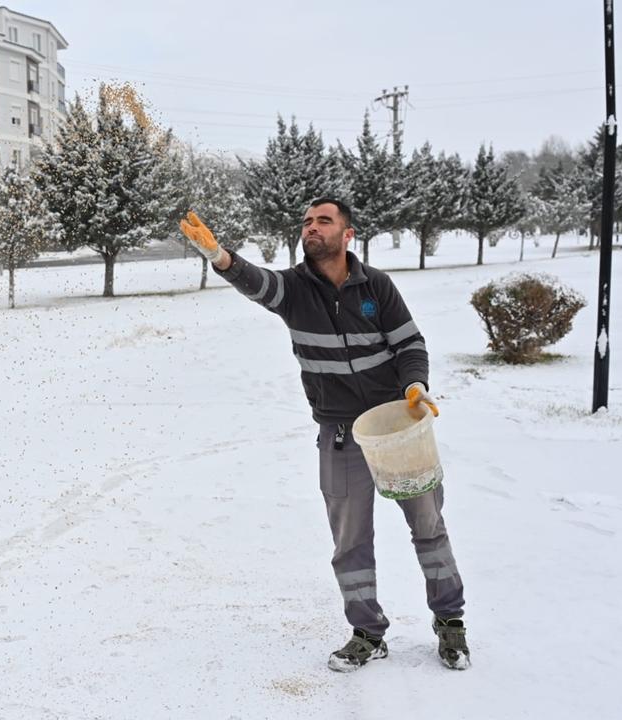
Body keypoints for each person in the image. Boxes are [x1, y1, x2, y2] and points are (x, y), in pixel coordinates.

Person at [178, 198, 470, 672]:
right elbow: (255, 281)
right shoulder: (293, 289)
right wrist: (220, 257)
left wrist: (415, 384)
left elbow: (409, 343)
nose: (311, 228)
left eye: (323, 221)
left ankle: (451, 623)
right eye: (307, 222)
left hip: (397, 427)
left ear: (347, 234)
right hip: (340, 434)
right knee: (349, 541)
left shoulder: (377, 285)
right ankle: (367, 632)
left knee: (428, 526)